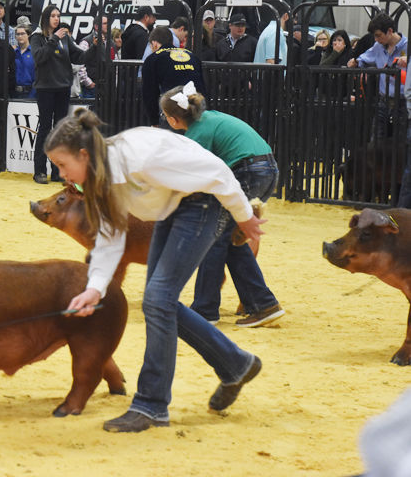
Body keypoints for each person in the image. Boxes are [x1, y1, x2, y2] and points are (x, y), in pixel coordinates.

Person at [45, 107, 265, 433]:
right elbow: (109, 239)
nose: (61, 174)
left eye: (63, 165)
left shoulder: (139, 157)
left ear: (83, 154)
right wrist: (95, 288)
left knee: (158, 299)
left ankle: (151, 405)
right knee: (159, 301)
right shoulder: (102, 177)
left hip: (204, 201)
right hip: (171, 207)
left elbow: (217, 172)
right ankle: (236, 364)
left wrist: (244, 214)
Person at [160, 82, 285, 327]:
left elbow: (195, 177)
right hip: (267, 170)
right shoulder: (210, 119)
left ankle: (207, 309)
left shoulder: (197, 134)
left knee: (214, 237)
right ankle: (260, 303)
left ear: (173, 120)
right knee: (228, 240)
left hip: (246, 171)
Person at [30, 4, 86, 184]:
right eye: (53, 15)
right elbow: (39, 58)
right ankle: (39, 170)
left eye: (58, 15)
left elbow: (77, 56)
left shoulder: (65, 38)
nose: (56, 18)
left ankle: (57, 172)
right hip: (45, 88)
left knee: (60, 131)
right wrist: (53, 38)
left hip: (63, 87)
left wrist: (93, 49)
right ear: (46, 18)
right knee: (45, 128)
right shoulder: (37, 38)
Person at [348, 13, 408, 139]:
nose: (376, 39)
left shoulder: (407, 46)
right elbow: (363, 58)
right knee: (376, 141)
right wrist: (356, 62)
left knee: (401, 143)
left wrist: (409, 60)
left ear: (390, 31)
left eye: (378, 35)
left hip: (404, 103)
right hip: (383, 102)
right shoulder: (377, 47)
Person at [141, 26, 206, 127]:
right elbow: (202, 84)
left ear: (154, 43)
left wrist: (154, 121)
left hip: (173, 111)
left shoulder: (152, 59)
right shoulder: (191, 56)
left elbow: (149, 94)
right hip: (197, 108)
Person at [13, 25, 35, 98]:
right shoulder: (13, 53)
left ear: (28, 35)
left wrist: (32, 95)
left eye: (22, 33)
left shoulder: (34, 53)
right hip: (14, 94)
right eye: (18, 34)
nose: (20, 36)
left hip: (30, 93)